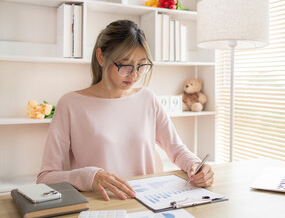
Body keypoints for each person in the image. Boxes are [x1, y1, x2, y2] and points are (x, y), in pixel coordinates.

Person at [37, 20, 214, 201]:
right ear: (101, 57)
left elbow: (177, 151)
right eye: (126, 65)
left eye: (141, 66)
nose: (135, 74)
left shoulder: (148, 100)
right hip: (100, 208)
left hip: (149, 204)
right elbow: (46, 178)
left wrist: (196, 166)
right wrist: (90, 177)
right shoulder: (70, 104)